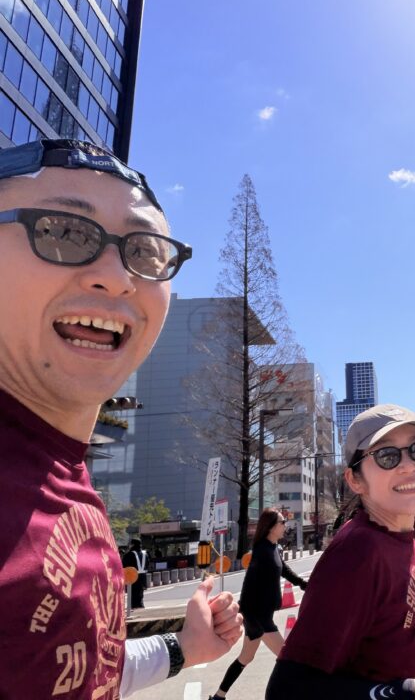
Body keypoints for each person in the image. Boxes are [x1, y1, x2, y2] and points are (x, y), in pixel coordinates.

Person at [0, 139, 242, 698]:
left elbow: (80, 664)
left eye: (146, 252)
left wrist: (185, 648)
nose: (117, 275)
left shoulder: (61, 475)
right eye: (61, 231)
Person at [266, 358, 415, 699]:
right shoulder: (357, 554)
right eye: (387, 456)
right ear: (355, 480)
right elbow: (289, 690)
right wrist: (414, 692)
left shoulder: (412, 522)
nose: (409, 465)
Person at [210, 508, 307, 699]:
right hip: (259, 618)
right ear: (271, 527)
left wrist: (303, 584)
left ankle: (218, 696)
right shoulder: (262, 551)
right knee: (287, 657)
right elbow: (248, 586)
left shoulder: (273, 548)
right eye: (282, 522)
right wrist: (249, 618)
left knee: (246, 658)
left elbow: (284, 570)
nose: (284, 526)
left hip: (262, 616)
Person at [122, 538, 149, 609]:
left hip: (133, 577)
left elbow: (124, 565)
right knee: (140, 595)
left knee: (133, 595)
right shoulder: (145, 554)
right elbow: (147, 565)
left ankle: (134, 608)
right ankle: (140, 607)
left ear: (133, 545)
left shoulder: (130, 554)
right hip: (143, 577)